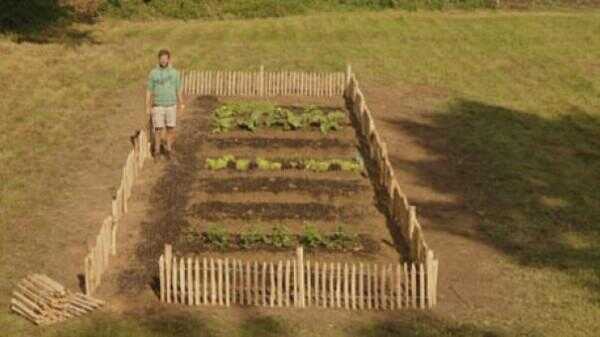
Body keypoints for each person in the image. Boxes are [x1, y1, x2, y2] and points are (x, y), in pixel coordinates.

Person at [146, 49, 184, 159]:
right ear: (159, 59)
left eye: (165, 58)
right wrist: (147, 106)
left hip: (171, 104)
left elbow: (178, 89)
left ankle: (168, 149)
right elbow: (149, 91)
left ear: (168, 59)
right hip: (158, 105)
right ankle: (157, 151)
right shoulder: (153, 73)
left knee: (170, 128)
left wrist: (181, 102)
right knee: (158, 129)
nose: (163, 61)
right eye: (161, 59)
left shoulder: (174, 73)